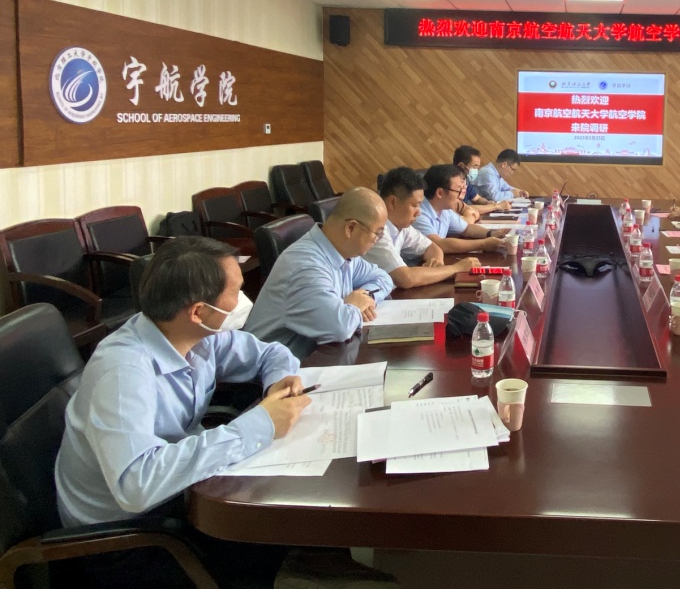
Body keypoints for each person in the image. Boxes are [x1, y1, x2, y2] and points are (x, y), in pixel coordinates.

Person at [55, 237, 309, 585]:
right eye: (236, 292)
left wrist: (278, 383)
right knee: (268, 541)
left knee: (279, 519)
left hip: (179, 495)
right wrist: (258, 425)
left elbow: (270, 354)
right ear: (198, 311)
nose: (242, 300)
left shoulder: (194, 334)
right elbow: (136, 484)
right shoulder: (124, 370)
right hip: (123, 539)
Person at [245, 187, 393, 357]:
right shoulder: (306, 266)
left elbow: (383, 278)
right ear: (351, 228)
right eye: (377, 234)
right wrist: (353, 306)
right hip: (270, 369)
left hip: (314, 357)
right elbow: (340, 327)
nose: (377, 240)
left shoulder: (344, 252)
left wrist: (365, 297)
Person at [365, 166, 481, 287]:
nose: (419, 212)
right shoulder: (375, 232)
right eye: (415, 205)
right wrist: (457, 269)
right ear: (393, 202)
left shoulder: (402, 227)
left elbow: (433, 247)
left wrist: (436, 263)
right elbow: (406, 278)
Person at [415, 164, 512, 256]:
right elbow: (440, 245)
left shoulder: (444, 208)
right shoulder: (418, 213)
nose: (462, 195)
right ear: (440, 193)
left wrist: (492, 233)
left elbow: (466, 228)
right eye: (458, 190)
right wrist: (484, 244)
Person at [453, 144, 510, 217]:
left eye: (478, 167)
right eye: (474, 166)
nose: (477, 170)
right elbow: (463, 208)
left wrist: (488, 203)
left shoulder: (466, 181)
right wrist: (496, 206)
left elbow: (477, 199)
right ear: (461, 166)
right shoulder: (451, 183)